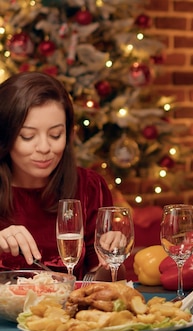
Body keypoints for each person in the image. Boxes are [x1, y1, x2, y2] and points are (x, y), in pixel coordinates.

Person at [0, 71, 115, 280]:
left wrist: (112, 259)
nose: (44, 148)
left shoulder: (90, 187)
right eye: (27, 136)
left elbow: (102, 283)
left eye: (55, 135)